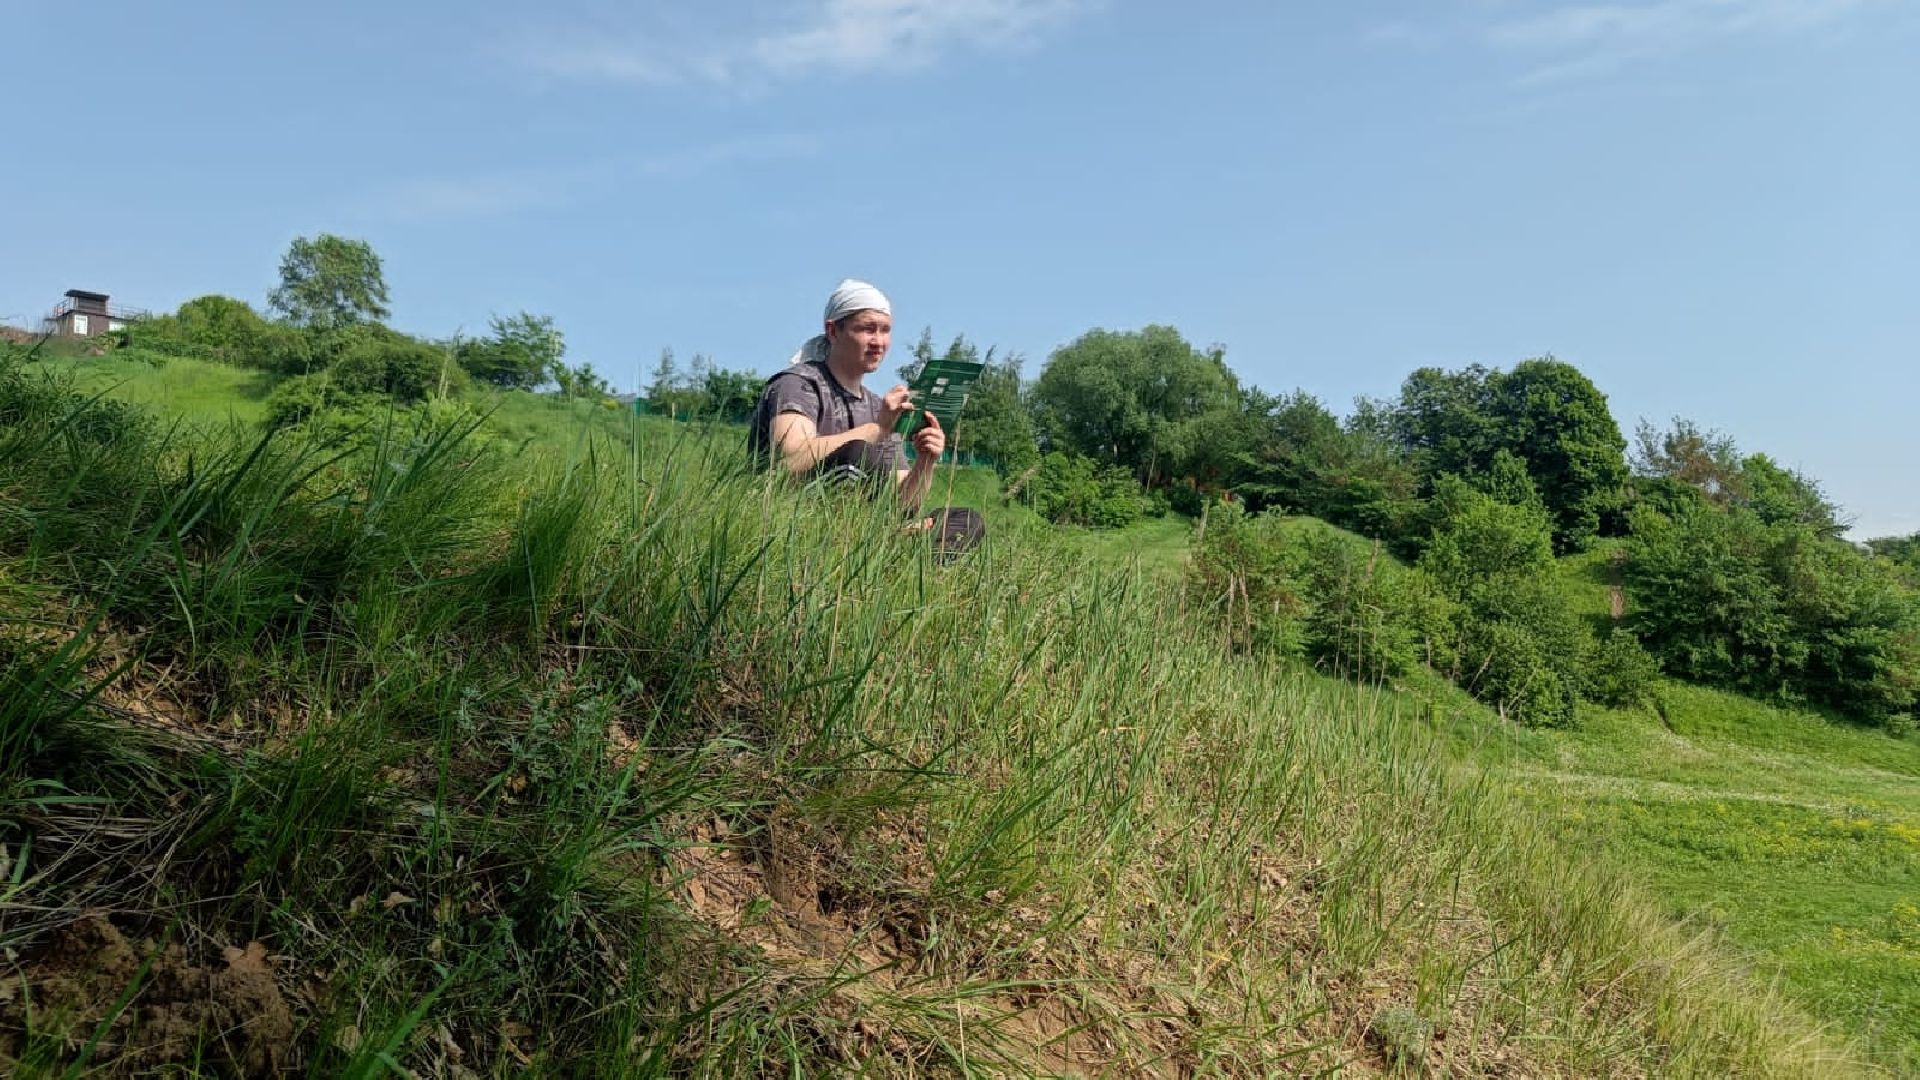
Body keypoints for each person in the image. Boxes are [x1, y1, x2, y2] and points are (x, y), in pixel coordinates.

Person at [747, 279, 945, 513]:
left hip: (868, 524)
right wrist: (878, 429)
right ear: (833, 331)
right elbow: (789, 461)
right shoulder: (798, 385)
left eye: (885, 330)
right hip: (794, 516)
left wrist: (925, 461)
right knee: (857, 453)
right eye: (868, 329)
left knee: (964, 519)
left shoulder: (877, 406)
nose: (878, 342)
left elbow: (903, 505)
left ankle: (895, 535)